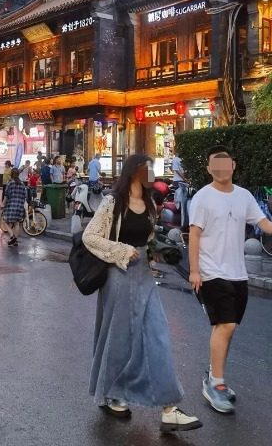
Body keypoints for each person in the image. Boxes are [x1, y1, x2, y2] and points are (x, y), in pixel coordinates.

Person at [82, 154, 202, 432]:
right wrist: (122, 250)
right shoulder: (114, 202)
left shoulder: (149, 203)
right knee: (118, 339)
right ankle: (113, 394)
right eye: (147, 170)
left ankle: (169, 407)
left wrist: (157, 253)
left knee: (157, 336)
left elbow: (147, 239)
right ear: (134, 172)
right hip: (118, 277)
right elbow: (90, 236)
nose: (151, 174)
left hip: (144, 278)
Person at [189, 145, 272, 414]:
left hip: (238, 272)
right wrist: (194, 270)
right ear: (209, 169)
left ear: (233, 166)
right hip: (212, 272)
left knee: (227, 326)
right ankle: (217, 383)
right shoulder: (203, 197)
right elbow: (194, 235)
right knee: (226, 325)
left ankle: (214, 376)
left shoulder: (244, 195)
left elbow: (263, 223)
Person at [1, 168, 27, 247]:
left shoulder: (10, 183)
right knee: (17, 223)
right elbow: (25, 196)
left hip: (11, 205)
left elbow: (6, 195)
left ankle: (12, 236)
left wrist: (2, 204)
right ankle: (15, 241)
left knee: (5, 221)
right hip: (19, 205)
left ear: (11, 174)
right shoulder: (22, 184)